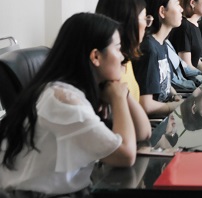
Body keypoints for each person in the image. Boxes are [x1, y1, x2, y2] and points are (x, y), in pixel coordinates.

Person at [0, 13, 148, 195]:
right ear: (96, 56)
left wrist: (122, 93)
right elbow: (126, 155)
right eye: (118, 49)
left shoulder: (84, 91)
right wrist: (118, 98)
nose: (122, 56)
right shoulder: (63, 100)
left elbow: (143, 133)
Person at [135, 0, 184, 118]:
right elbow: (146, 105)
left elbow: (163, 81)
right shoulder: (149, 48)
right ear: (162, 11)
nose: (181, 9)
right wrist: (174, 106)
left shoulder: (162, 43)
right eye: (177, 4)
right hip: (155, 123)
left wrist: (174, 95)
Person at [95, 0, 153, 103]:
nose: (147, 25)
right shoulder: (110, 71)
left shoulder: (126, 59)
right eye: (144, 19)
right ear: (129, 23)